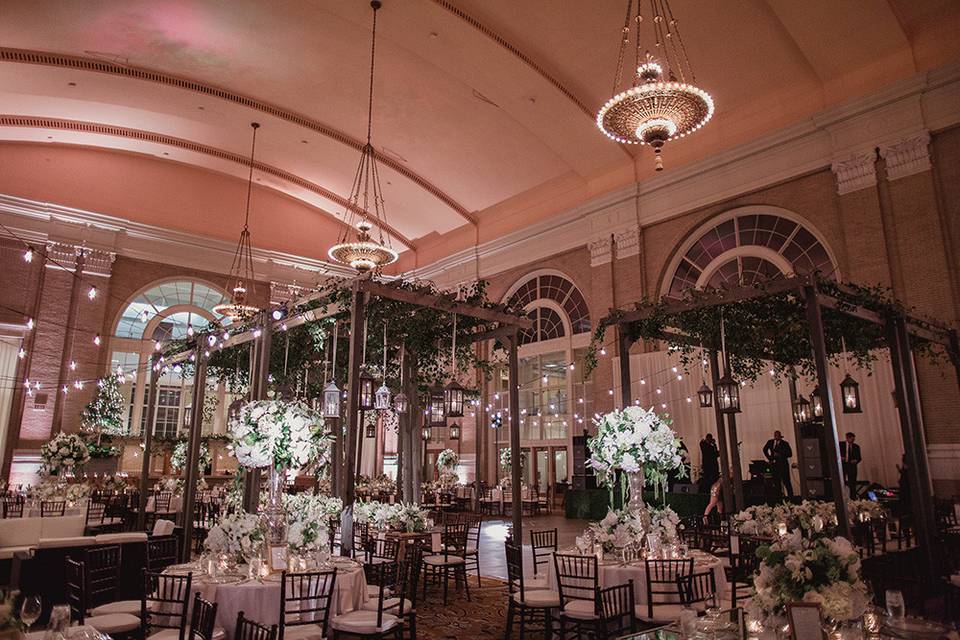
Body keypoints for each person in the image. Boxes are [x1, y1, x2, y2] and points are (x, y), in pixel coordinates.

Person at [763, 430, 794, 498]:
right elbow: (764, 449)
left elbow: (790, 454)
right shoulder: (770, 442)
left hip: (783, 465)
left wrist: (781, 455)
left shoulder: (785, 443)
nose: (776, 437)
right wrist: (770, 458)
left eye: (778, 436)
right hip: (774, 465)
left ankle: (791, 497)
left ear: (780, 436)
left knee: (786, 482)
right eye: (775, 436)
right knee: (776, 482)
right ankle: (778, 498)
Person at [838, 432, 862, 498]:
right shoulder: (840, 445)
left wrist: (856, 460)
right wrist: (840, 458)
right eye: (852, 439)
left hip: (852, 467)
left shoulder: (856, 446)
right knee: (841, 482)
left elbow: (859, 458)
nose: (853, 440)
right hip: (843, 466)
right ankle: (841, 497)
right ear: (847, 438)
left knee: (852, 484)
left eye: (854, 439)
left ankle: (853, 498)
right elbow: (835, 454)